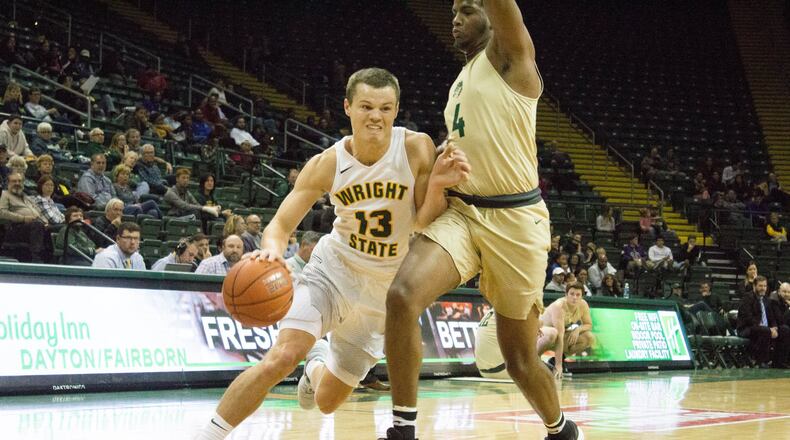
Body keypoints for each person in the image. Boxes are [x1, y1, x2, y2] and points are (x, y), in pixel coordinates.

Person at [193, 67, 469, 440]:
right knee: (282, 358)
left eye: (386, 108)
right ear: (348, 107)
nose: (376, 116)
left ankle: (317, 364)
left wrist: (436, 184)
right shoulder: (328, 162)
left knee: (325, 402)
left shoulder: (414, 147)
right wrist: (271, 254)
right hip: (333, 272)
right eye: (367, 106)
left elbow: (422, 222)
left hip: (385, 293)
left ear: (396, 109)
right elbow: (279, 226)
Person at [381, 2, 582, 438]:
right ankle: (403, 428)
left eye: (468, 9)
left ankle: (562, 430)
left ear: (492, 17)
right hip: (465, 213)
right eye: (453, 10)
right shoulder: (461, 79)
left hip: (516, 220)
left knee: (519, 361)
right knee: (401, 296)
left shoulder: (513, 60)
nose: (455, 17)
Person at [737, 276, 790, 368]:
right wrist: (768, 329)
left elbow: (772, 317)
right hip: (746, 328)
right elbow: (749, 319)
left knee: (784, 329)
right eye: (760, 286)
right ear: (754, 286)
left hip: (762, 328)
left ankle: (779, 362)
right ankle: (762, 361)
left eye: (765, 286)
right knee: (765, 331)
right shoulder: (747, 298)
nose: (763, 288)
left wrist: (774, 327)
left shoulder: (766, 299)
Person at [0, 172, 50, 262]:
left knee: (49, 227)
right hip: (15, 228)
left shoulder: (27, 197)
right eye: (14, 181)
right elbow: (2, 212)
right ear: (8, 183)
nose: (17, 184)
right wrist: (23, 218)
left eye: (19, 181)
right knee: (37, 225)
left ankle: (51, 259)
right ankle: (36, 257)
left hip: (34, 225)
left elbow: (39, 211)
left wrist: (45, 221)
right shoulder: (4, 195)